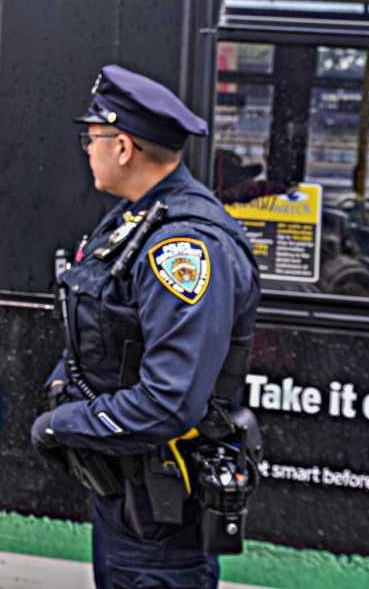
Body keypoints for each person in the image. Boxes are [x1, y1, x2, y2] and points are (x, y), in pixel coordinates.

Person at [30, 65, 262, 589]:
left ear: (122, 147)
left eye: (91, 138)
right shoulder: (134, 218)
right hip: (128, 495)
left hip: (158, 519)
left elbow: (169, 402)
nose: (86, 150)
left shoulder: (182, 247)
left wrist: (63, 425)